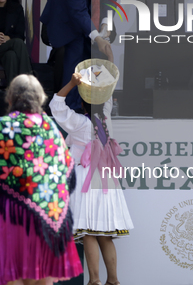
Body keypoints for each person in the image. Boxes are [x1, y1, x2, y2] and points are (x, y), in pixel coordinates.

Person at [0, 74, 82, 285]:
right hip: (48, 215)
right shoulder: (50, 128)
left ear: (10, 99)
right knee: (42, 279)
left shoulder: (5, 125)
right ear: (40, 99)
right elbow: (67, 172)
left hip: (13, 215)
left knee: (13, 276)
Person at [50, 71, 133, 285]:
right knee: (105, 235)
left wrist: (71, 83)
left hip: (87, 178)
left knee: (88, 232)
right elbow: (105, 100)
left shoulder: (79, 123)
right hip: (107, 180)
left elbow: (57, 105)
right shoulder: (105, 120)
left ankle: (94, 280)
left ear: (82, 105)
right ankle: (113, 280)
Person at [41, 0, 115, 110]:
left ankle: (94, 108)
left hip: (89, 14)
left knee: (95, 56)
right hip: (66, 18)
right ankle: (69, 111)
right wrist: (97, 37)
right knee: (74, 62)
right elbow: (78, 13)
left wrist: (106, 22)